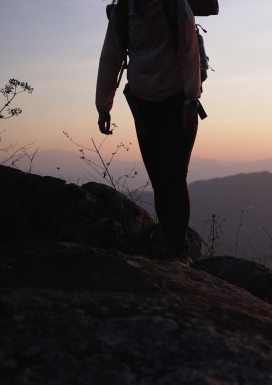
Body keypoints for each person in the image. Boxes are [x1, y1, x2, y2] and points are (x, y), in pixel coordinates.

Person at [96, 0, 201, 261]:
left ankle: (177, 249)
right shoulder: (123, 12)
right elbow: (110, 58)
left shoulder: (174, 5)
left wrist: (191, 99)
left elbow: (190, 53)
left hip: (178, 102)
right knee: (158, 179)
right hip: (143, 106)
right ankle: (169, 245)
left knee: (174, 176)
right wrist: (103, 106)